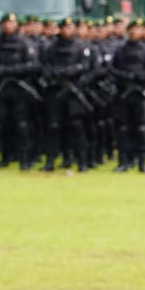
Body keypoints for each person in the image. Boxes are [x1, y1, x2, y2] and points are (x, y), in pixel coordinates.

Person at [0, 12, 41, 171]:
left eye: (11, 23)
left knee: (21, 125)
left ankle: (24, 159)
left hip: (19, 90)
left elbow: (33, 66)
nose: (8, 26)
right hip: (0, 91)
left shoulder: (24, 43)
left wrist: (12, 70)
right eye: (6, 23)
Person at [39, 17, 94, 173]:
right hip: (55, 91)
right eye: (64, 28)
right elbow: (43, 66)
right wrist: (54, 74)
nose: (67, 31)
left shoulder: (80, 47)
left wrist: (69, 72)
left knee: (76, 126)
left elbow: (85, 66)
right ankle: (51, 160)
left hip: (74, 91)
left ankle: (82, 161)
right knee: (53, 126)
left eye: (70, 28)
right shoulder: (51, 48)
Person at [110, 18, 145, 173]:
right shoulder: (120, 51)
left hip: (140, 94)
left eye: (137, 29)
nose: (134, 32)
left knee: (141, 128)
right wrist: (126, 77)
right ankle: (124, 161)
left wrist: (138, 77)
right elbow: (112, 70)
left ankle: (142, 162)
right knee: (123, 129)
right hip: (123, 94)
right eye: (131, 30)